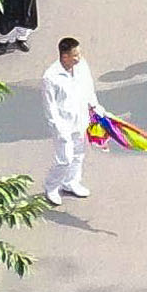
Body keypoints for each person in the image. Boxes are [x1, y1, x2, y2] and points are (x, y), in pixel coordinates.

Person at [40, 38, 96, 206]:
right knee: (65, 159)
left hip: (81, 120)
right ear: (64, 57)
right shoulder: (50, 77)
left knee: (79, 155)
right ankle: (51, 187)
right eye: (75, 55)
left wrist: (94, 106)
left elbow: (88, 87)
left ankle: (71, 182)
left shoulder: (81, 66)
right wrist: (59, 130)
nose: (79, 58)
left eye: (79, 54)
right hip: (64, 126)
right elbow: (50, 108)